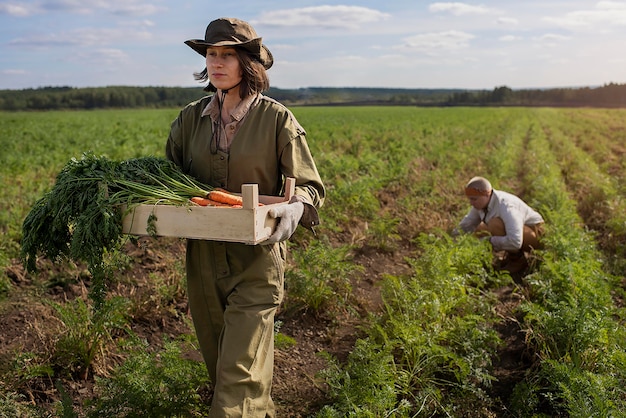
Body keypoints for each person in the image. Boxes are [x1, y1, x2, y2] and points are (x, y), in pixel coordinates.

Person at [165, 17, 325, 417]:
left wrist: (295, 206)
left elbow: (309, 185)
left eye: (227, 55)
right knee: (227, 373)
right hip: (202, 262)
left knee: (237, 379)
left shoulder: (276, 119)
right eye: (212, 54)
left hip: (256, 263)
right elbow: (168, 180)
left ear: (248, 64)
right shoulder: (190, 119)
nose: (216, 63)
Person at [457, 176, 544, 273]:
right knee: (479, 228)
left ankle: (517, 259)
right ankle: (484, 258)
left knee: (495, 224)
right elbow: (466, 225)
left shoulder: (506, 206)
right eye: (470, 199)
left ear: (486, 194)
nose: (471, 203)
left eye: (474, 199)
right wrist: (450, 240)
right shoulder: (481, 205)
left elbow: (515, 241)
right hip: (520, 235)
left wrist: (489, 241)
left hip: (534, 234)